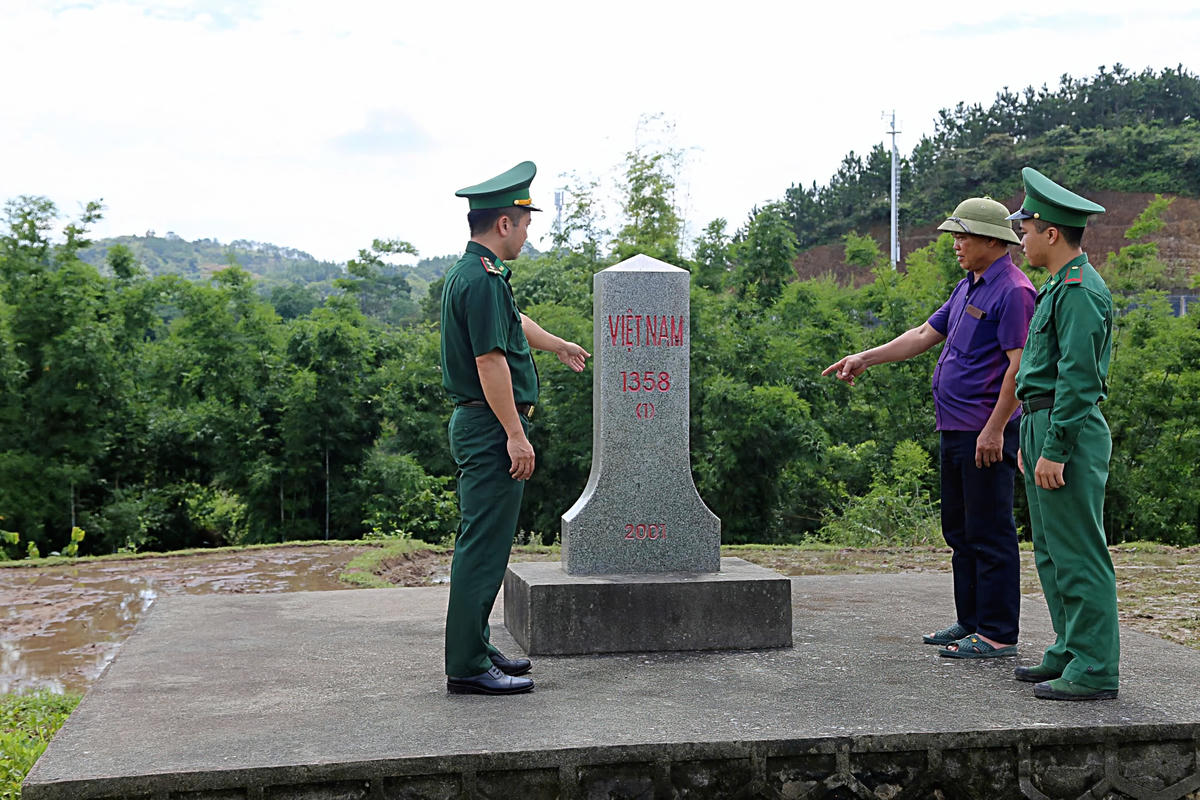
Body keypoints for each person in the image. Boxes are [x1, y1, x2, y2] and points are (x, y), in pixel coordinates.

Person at [822, 197, 1034, 659]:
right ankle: (972, 620)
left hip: (986, 432)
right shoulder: (968, 287)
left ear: (993, 241)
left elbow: (1018, 369)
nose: (955, 244)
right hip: (956, 429)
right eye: (955, 236)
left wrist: (996, 428)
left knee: (991, 531)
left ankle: (998, 633)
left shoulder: (1014, 291)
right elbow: (922, 335)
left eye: (963, 236)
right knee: (959, 529)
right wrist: (865, 358)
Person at [440, 161, 590, 695]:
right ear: (504, 224)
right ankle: (466, 666)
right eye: (525, 224)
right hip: (489, 428)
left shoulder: (483, 276)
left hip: (486, 426)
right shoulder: (480, 282)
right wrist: (515, 433)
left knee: (488, 544)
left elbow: (516, 323)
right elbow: (490, 362)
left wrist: (559, 345)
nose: (528, 235)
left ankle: (475, 647)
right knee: (481, 547)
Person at [1006, 167, 1118, 701]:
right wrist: (1034, 441)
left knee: (1079, 552)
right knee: (1051, 551)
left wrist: (1054, 448)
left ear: (1051, 233)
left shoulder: (1079, 291)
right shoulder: (1056, 288)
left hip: (1064, 426)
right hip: (1041, 422)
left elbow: (1079, 378)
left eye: (1026, 229)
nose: (1021, 238)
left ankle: (1095, 666)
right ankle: (1070, 648)